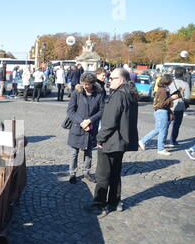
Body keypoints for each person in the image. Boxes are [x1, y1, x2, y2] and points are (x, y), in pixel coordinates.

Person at [89, 68, 139, 215]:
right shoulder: (130, 93)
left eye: (112, 78)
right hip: (121, 140)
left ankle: (99, 204)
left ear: (122, 80)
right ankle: (114, 202)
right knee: (115, 173)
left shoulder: (118, 95)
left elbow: (110, 122)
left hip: (111, 140)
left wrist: (100, 138)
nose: (109, 80)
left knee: (103, 174)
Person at [67, 72, 105, 184]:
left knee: (88, 152)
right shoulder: (76, 92)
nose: (85, 86)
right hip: (77, 127)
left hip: (91, 128)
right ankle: (72, 173)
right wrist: (81, 122)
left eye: (87, 84)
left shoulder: (99, 94)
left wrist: (90, 120)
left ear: (93, 83)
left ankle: (86, 172)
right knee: (74, 152)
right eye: (83, 83)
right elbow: (70, 110)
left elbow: (102, 110)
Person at [139, 75, 180, 156]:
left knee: (158, 129)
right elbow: (162, 104)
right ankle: (160, 149)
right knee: (162, 130)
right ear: (168, 82)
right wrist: (172, 98)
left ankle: (142, 141)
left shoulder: (161, 89)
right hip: (162, 111)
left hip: (159, 111)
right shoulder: (163, 90)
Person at [166, 67, 191, 147]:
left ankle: (163, 140)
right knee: (176, 124)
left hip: (169, 105)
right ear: (183, 74)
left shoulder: (170, 82)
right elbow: (187, 98)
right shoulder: (185, 84)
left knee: (166, 124)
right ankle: (172, 141)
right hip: (179, 106)